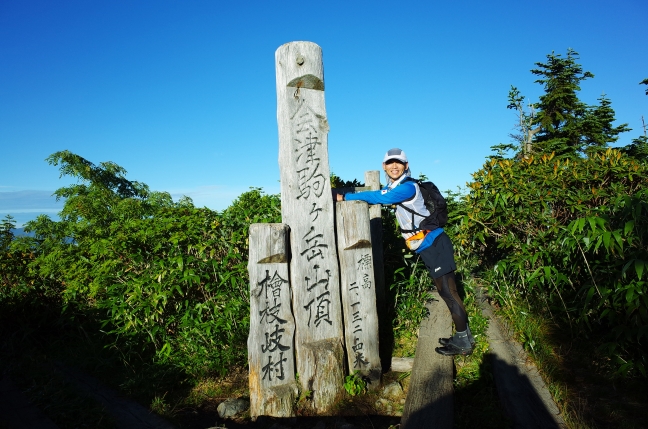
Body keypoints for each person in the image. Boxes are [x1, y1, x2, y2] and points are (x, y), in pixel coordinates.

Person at [335, 148, 474, 356]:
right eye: (390, 162)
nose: (394, 166)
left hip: (435, 244)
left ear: (406, 166)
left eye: (398, 163)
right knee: (447, 291)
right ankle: (464, 336)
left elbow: (378, 197)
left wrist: (344, 197)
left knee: (448, 292)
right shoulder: (396, 186)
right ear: (384, 166)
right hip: (429, 246)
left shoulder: (407, 188)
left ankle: (464, 341)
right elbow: (383, 193)